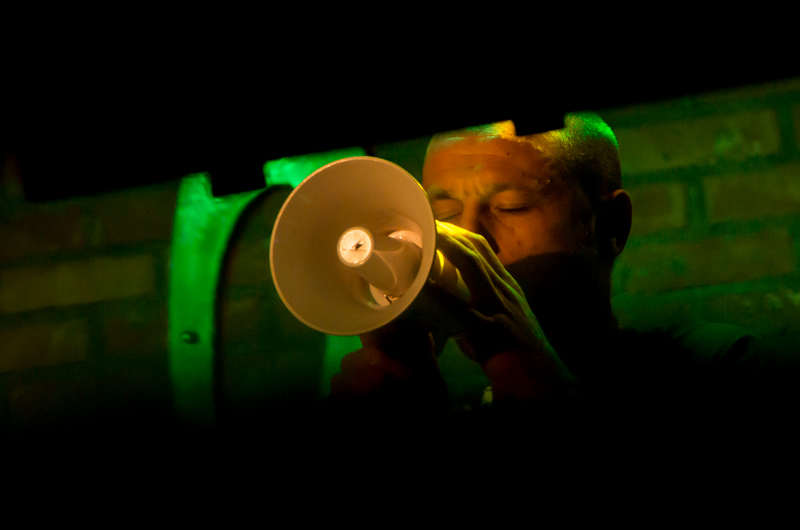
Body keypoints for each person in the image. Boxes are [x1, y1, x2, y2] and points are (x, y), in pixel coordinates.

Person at [328, 113, 798, 449]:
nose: (469, 240)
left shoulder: (723, 371)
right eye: (444, 216)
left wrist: (531, 377)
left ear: (610, 226)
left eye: (512, 207)